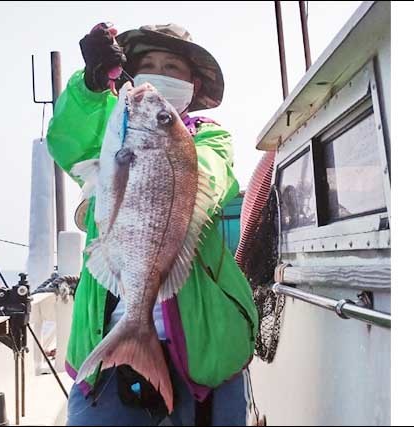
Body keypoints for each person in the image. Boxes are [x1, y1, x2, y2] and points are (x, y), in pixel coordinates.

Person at [46, 22, 258, 426]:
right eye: (148, 65)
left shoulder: (210, 139)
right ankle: (131, 334)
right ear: (129, 75)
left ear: (194, 84)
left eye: (172, 68)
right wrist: (90, 87)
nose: (159, 75)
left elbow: (212, 179)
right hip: (106, 342)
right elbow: (67, 139)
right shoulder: (109, 131)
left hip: (206, 350)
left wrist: (164, 158)